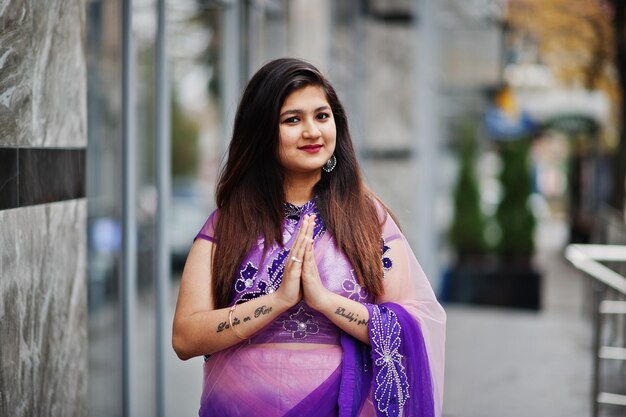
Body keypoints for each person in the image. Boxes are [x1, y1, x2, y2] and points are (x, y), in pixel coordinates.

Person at [172, 58, 446, 417]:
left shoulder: (366, 219)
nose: (313, 131)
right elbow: (185, 337)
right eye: (292, 120)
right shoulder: (229, 223)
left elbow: (411, 324)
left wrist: (324, 301)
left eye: (321, 116)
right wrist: (278, 301)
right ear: (262, 134)